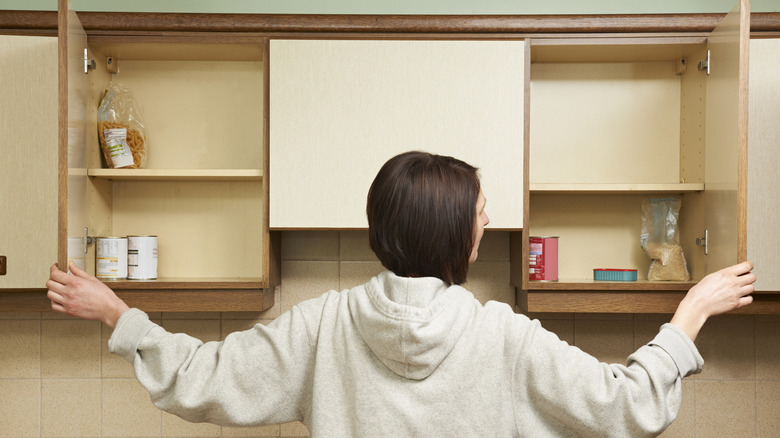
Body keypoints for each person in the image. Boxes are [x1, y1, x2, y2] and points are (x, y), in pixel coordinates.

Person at [46, 151, 756, 437]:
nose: (485, 230)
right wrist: (689, 313)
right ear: (457, 235)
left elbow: (204, 378)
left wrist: (119, 313)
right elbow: (626, 404)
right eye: (481, 217)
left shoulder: (324, 325)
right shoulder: (501, 335)